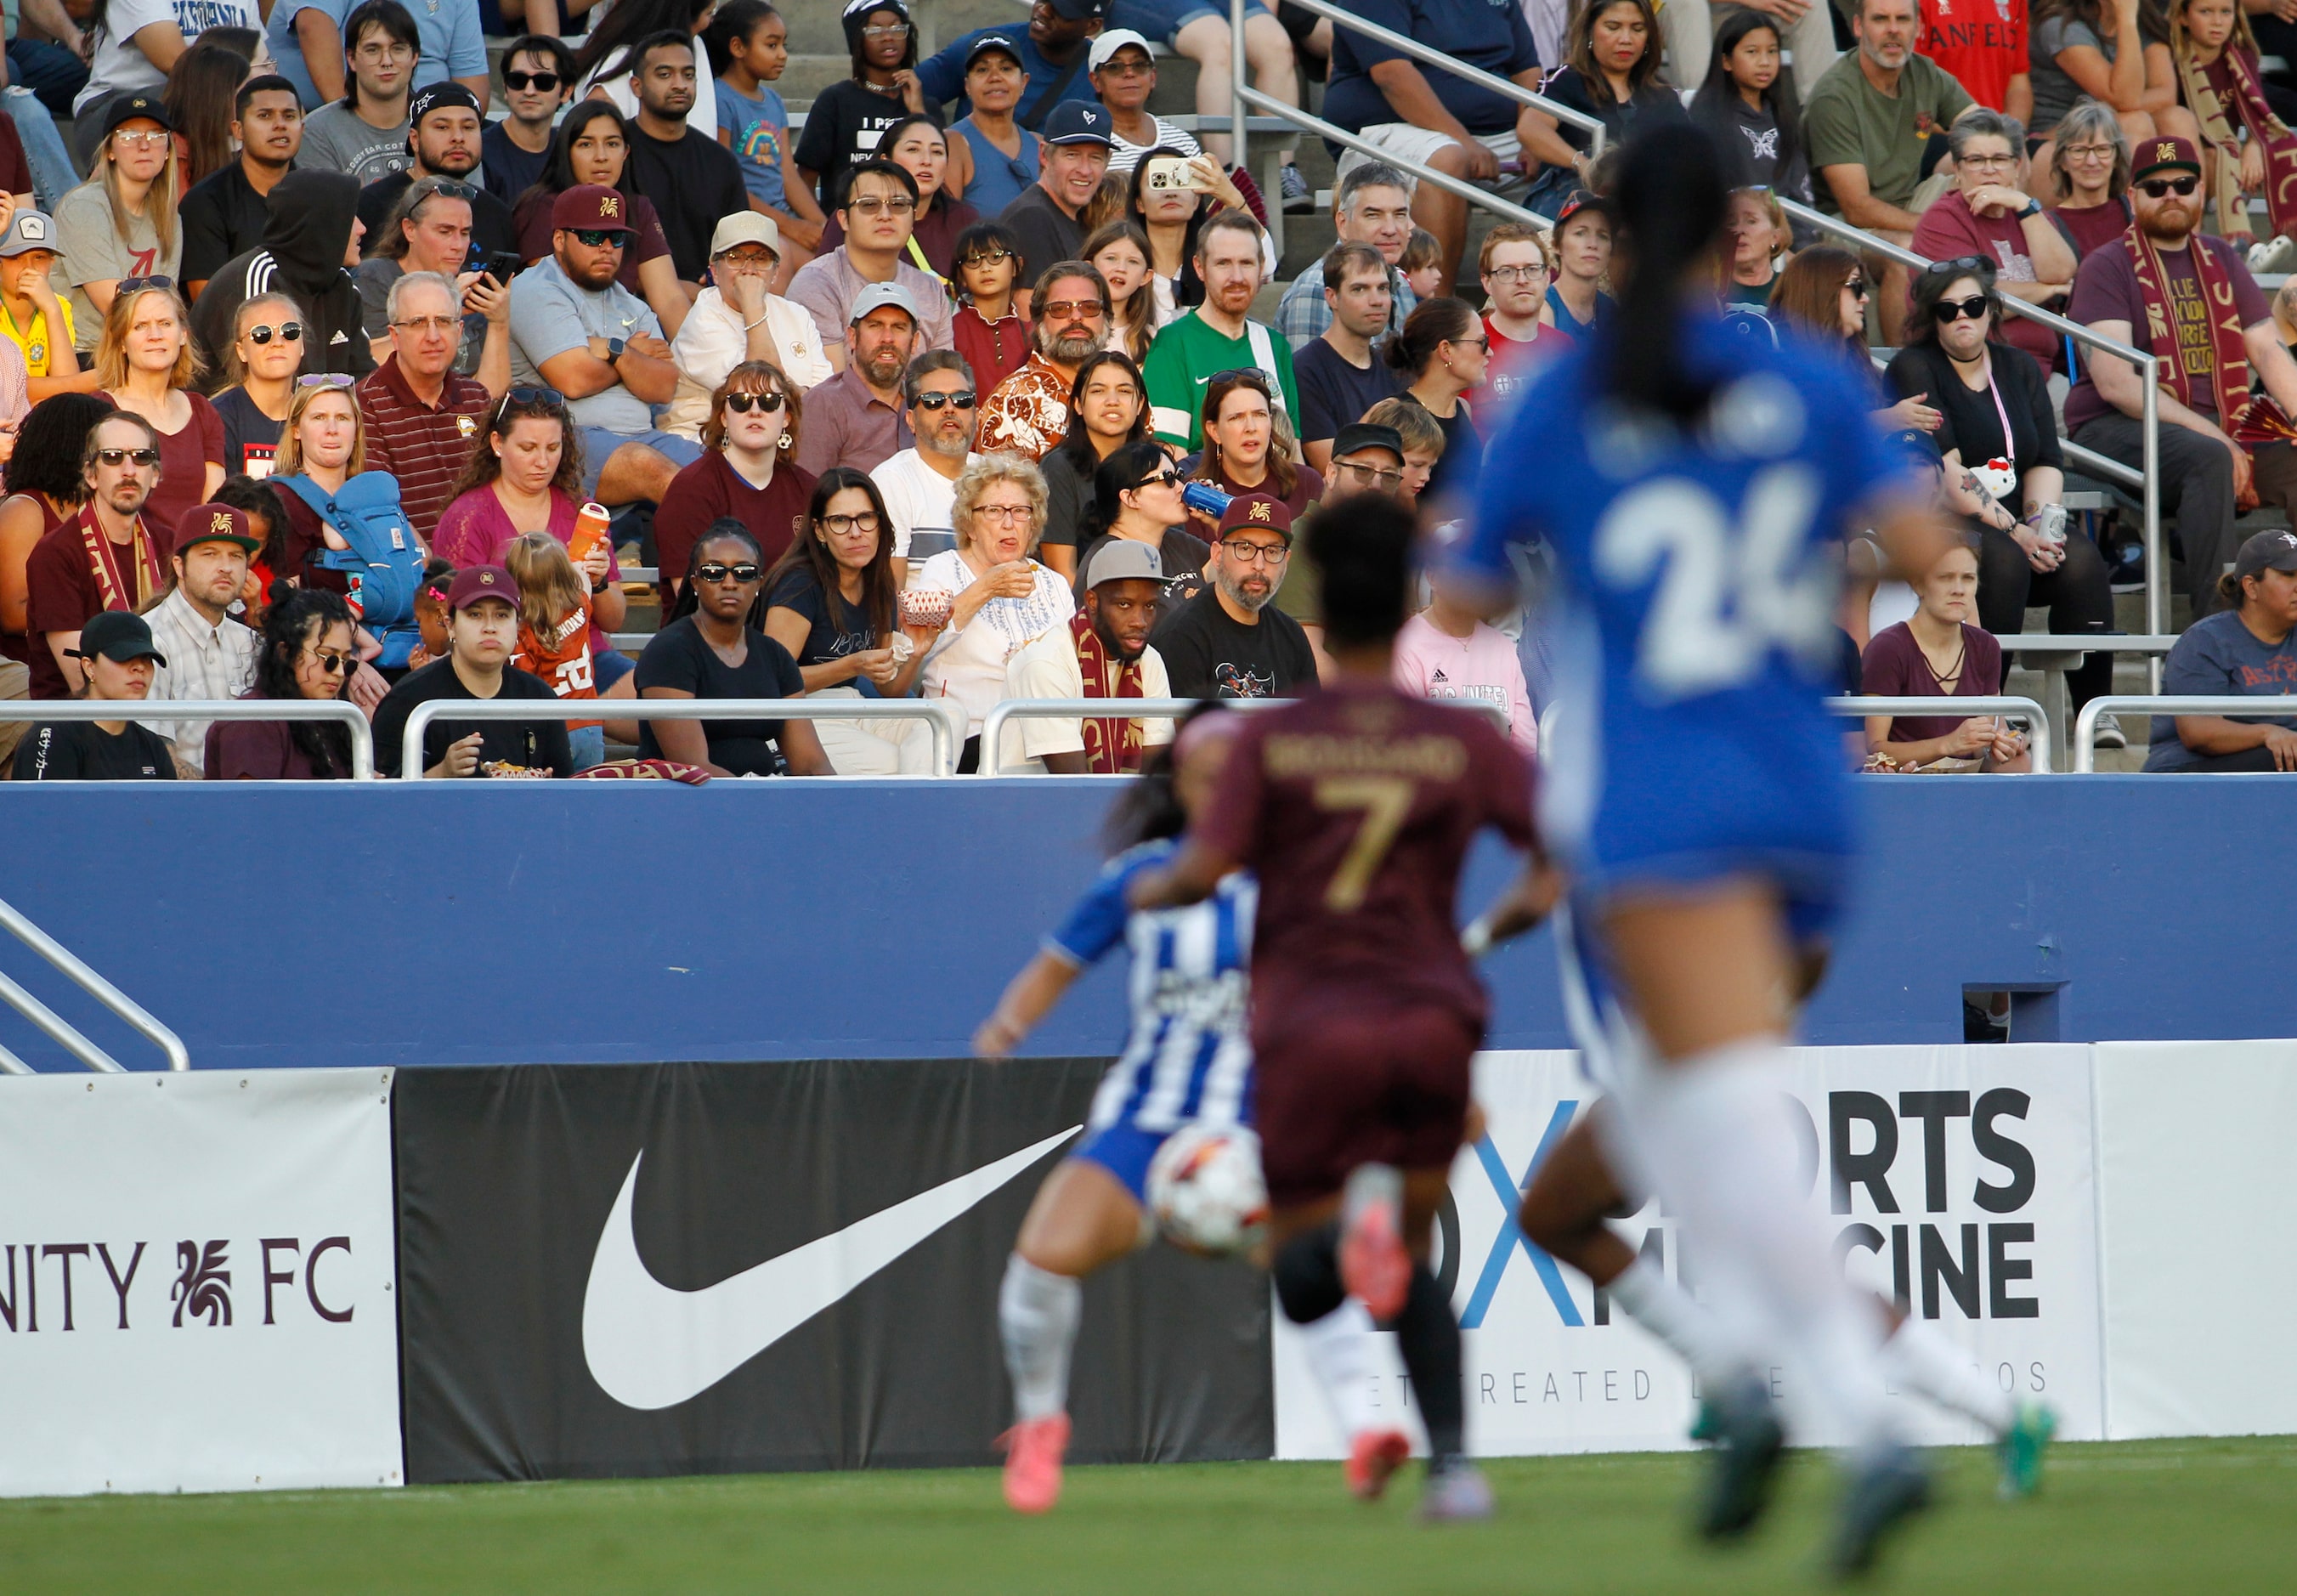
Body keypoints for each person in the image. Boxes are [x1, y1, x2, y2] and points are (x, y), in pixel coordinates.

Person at [1453, 123, 1952, 1573]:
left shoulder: (1553, 394)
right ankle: (1741, 1386)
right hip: (1807, 791)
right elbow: (1924, 556)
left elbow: (1477, 590)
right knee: (1664, 1131)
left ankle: (1863, 1425)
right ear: (1732, 230)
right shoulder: (1805, 376)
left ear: (1602, 233)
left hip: (1659, 803)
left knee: (1723, 1120)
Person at [1127, 490, 1544, 1524]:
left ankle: (1331, 1246)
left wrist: (1145, 885)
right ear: (1400, 599)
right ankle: (1456, 1473)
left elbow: (1201, 869)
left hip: (1311, 1023)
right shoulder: (1465, 737)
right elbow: (1556, 863)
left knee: (1304, 1263)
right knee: (1409, 1249)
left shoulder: (1276, 738)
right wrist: (1480, 939)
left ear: (1323, 604)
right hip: (1431, 1018)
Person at [982, 702, 1397, 1506]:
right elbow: (1060, 960)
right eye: (1212, 777)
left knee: (1306, 1265)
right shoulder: (1139, 876)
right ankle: (1039, 1427)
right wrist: (1010, 1021)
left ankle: (1364, 1431)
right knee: (1039, 1262)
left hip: (1263, 1122)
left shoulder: (1304, 881)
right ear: (1184, 787)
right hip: (1146, 1116)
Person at [2064, 133, 2297, 617]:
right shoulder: (2105, 265)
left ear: (2201, 192)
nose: (2171, 194)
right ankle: (2219, 631)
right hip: (2115, 427)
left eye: (2183, 184)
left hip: (2218, 425)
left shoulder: (2223, 257)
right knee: (2209, 457)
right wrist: (2220, 437)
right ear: (2132, 198)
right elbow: (2118, 384)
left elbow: (2268, 350)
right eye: (2155, 187)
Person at [1886, 258, 2116, 725]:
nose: (1962, 317)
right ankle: (1989, 706)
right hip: (1946, 518)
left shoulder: (2017, 366)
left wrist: (2041, 525)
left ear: (1991, 309)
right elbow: (1945, 470)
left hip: (2017, 521)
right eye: (1947, 311)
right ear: (1932, 318)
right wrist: (2016, 532)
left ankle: (2097, 711)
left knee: (2082, 562)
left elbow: (2046, 459)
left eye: (1972, 305)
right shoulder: (1916, 366)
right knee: (2004, 561)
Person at [1322, 0, 1542, 292]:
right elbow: (1392, 76)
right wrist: (1465, 142)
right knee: (1448, 157)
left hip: (1496, 133)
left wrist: (1533, 133)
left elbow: (1526, 70)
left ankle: (1565, 312)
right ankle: (1437, 314)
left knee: (1571, 158)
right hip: (1389, 128)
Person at [507, 184, 697, 509]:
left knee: (720, 470)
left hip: (640, 436)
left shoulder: (630, 303)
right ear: (559, 240)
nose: (607, 248)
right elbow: (574, 380)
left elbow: (664, 385)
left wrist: (610, 351)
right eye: (592, 237)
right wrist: (629, 353)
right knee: (647, 466)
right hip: (565, 438)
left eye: (616, 238)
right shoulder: (536, 288)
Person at [432, 385, 630, 676]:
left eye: (553, 448)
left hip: (583, 659)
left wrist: (598, 584)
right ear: (497, 444)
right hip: (504, 666)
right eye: (528, 448)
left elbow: (614, 621)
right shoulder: (467, 516)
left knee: (658, 703)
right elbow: (447, 621)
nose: (542, 462)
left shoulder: (581, 511)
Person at [1805, 0, 1977, 336]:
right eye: (1880, 19)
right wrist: (1935, 227)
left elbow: (1985, 128)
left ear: (1919, 28)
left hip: (1908, 201)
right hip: (1842, 225)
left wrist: (1994, 168)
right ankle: (1907, 370)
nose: (1893, 29)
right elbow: (1857, 207)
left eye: (1902, 19)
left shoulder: (1925, 74)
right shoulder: (1834, 97)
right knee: (1903, 251)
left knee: (1986, 170)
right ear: (1858, 27)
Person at [761, 467, 936, 773]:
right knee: (897, 764)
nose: (856, 532)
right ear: (818, 530)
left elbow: (888, 689)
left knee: (946, 717)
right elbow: (772, 682)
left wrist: (916, 653)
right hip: (798, 714)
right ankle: (917, 803)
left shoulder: (879, 581)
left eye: (866, 518)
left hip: (855, 705)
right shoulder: (799, 584)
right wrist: (852, 665)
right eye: (840, 521)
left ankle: (915, 798)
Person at [914, 452, 1075, 769]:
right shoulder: (942, 569)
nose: (1008, 523)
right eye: (993, 511)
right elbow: (923, 642)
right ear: (969, 523)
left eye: (1020, 512)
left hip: (1047, 740)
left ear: (1034, 522)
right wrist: (985, 588)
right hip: (971, 737)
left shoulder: (1054, 584)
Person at [636, 520, 834, 776]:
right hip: (686, 803)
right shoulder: (669, 652)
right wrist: (761, 802)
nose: (729, 583)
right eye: (714, 572)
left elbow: (810, 763)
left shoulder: (775, 656)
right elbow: (693, 769)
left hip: (761, 796)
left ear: (759, 584)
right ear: (695, 583)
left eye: (744, 573)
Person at [372, 562, 574, 777]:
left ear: (518, 626)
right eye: (475, 615)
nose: (490, 627)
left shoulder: (538, 697)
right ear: (450, 625)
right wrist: (442, 773)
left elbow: (566, 787)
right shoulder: (409, 699)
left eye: (502, 615)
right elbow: (382, 798)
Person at [1911, 110, 2079, 369]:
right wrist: (2046, 291)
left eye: (2000, 159)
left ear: (2017, 166)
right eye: (1976, 160)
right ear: (1957, 169)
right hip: (1970, 370)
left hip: (2040, 369)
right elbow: (1972, 303)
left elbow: (2061, 273)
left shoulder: (2031, 215)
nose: (1989, 170)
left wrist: (2024, 205)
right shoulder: (1942, 219)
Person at [993, 536, 1175, 773]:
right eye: (1124, 605)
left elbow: (1157, 774)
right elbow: (1074, 784)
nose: (1139, 622)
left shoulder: (1149, 660)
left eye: (1149, 606)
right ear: (1092, 602)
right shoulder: (1047, 661)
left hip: (1114, 804)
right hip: (1023, 805)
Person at [510, 104, 687, 340]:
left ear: (626, 152)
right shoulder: (542, 205)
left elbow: (669, 299)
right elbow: (548, 297)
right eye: (586, 144)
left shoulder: (638, 208)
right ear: (567, 151)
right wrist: (627, 352)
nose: (601, 156)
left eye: (612, 144)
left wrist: (695, 358)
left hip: (628, 335)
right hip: (564, 344)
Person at [24, 409, 166, 698]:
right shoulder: (55, 553)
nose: (129, 470)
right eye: (112, 457)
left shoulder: (169, 543)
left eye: (141, 457)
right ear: (90, 474)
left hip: (156, 707)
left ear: (155, 475)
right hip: (75, 722)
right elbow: (82, 680)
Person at [1860, 536, 2031, 769]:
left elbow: (1986, 735)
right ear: (1918, 585)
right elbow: (1876, 749)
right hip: (1908, 776)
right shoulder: (1888, 648)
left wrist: (2005, 743)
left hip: (1969, 774)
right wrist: (1948, 744)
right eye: (1945, 578)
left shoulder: (1985, 646)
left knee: (2019, 763)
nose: (1958, 590)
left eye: (1968, 578)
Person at [191, 168, 373, 387]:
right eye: (350, 217)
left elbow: (363, 379)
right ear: (321, 223)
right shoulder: (258, 277)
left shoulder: (342, 285)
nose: (362, 228)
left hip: (317, 415)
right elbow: (264, 389)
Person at [357, 271, 502, 544]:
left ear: (459, 332)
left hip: (482, 562)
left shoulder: (477, 398)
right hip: (412, 568)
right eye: (418, 323)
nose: (433, 336)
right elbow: (381, 510)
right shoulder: (365, 404)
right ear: (394, 335)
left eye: (443, 322)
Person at [665, 212, 832, 443]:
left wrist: (790, 394)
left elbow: (824, 399)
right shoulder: (703, 317)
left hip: (784, 439)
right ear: (714, 270)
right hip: (704, 443)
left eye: (761, 259)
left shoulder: (797, 314)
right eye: (735, 257)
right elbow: (760, 392)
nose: (749, 269)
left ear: (775, 271)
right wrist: (752, 305)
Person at [654, 359, 814, 601]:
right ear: (724, 418)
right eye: (741, 402)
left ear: (786, 418)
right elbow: (692, 599)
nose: (755, 411)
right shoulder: (691, 489)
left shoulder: (808, 490)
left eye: (769, 402)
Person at [1519, 0, 1689, 218]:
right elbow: (1530, 128)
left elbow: (1688, 153)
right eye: (1613, 27)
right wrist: (1584, 164)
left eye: (1637, 29)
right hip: (1573, 198)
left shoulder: (1662, 94)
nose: (1625, 39)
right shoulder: (1568, 80)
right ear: (1590, 31)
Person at [2145, 526, 2297, 767]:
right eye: (2289, 575)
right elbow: (2198, 731)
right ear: (2251, 587)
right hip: (2189, 774)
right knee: (2279, 758)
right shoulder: (2205, 641)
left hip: (2277, 765)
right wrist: (2268, 733)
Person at [1142, 213, 1293, 452]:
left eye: (1246, 263)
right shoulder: (1173, 343)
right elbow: (1170, 453)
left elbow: (1291, 452)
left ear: (1261, 267)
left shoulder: (1275, 346)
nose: (1237, 277)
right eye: (1223, 263)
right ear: (1200, 268)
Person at [784, 158, 955, 361]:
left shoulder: (931, 290)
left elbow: (943, 378)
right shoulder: (816, 284)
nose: (885, 215)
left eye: (898, 204)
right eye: (869, 204)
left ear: (913, 218)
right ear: (844, 219)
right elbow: (828, 387)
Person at [1149, 492, 1314, 698]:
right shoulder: (1182, 637)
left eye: (1272, 551)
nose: (1259, 565)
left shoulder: (1291, 636)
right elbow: (1182, 728)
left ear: (1286, 560)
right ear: (1217, 555)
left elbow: (1313, 723)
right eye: (1245, 548)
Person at [620, 32, 750, 289]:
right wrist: (673, 289)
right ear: (637, 86)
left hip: (708, 301)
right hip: (630, 301)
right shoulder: (614, 152)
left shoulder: (720, 161)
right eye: (665, 75)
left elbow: (740, 244)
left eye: (688, 75)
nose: (680, 84)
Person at [139, 499, 261, 773]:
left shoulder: (252, 644)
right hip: (178, 805)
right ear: (179, 566)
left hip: (251, 801)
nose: (225, 567)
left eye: (236, 556)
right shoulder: (150, 640)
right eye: (210, 554)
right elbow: (154, 753)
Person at [2171, 0, 2297, 259]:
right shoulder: (2173, 57)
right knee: (2212, 158)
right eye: (2206, 12)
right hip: (2185, 149)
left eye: (2225, 12)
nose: (2217, 21)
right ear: (2183, 17)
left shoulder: (2242, 55)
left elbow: (2257, 106)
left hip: (2223, 148)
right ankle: (2240, 245)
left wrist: (2253, 145)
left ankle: (2234, 238)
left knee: (2230, 155)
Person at [94, 280, 222, 535]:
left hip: (193, 558)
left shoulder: (202, 410)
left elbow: (214, 505)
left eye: (165, 323)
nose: (155, 335)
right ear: (121, 341)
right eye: (140, 326)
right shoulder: (99, 410)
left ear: (183, 334)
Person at [54, 94, 180, 351]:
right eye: (129, 135)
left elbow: (168, 301)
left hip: (144, 348)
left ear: (168, 151)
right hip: (86, 352)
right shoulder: (84, 207)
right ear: (110, 151)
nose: (144, 145)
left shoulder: (170, 217)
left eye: (156, 135)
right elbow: (114, 307)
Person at [354, 177, 512, 381]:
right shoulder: (375, 278)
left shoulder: (467, 286)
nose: (458, 245)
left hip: (462, 410)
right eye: (445, 231)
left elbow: (491, 395)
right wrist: (445, 308)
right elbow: (370, 364)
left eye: (465, 233)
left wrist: (499, 322)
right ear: (409, 229)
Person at [70, 0, 257, 170]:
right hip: (115, 105)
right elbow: (174, 61)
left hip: (200, 102)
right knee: (212, 97)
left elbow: (257, 54)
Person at [713, 3, 826, 281]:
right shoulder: (721, 99)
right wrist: (791, 227)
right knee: (816, 272)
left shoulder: (774, 101)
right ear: (738, 47)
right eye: (772, 45)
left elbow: (788, 174)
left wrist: (823, 225)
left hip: (783, 219)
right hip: (748, 222)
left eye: (784, 45)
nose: (783, 55)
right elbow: (725, 185)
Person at [203, 585, 362, 778]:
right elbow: (250, 805)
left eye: (346, 662)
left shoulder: (333, 720)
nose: (339, 672)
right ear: (285, 653)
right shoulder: (252, 722)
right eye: (328, 658)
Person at [0, 390, 105, 673]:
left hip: (102, 658)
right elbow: (13, 614)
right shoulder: (25, 509)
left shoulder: (103, 510)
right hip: (32, 669)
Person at [353, 83, 515, 260]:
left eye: (468, 127)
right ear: (414, 139)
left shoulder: (497, 214)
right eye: (442, 127)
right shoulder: (370, 205)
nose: (458, 138)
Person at [10, 608, 178, 778]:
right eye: (124, 656)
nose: (139, 668)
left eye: (147, 659)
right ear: (89, 667)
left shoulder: (152, 746)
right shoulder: (54, 736)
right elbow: (43, 803)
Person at [178, 74, 303, 300]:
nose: (280, 125)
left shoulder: (319, 195)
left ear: (302, 127)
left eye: (289, 116)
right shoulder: (206, 201)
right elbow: (208, 303)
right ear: (238, 129)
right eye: (265, 116)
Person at [813, 113, 979, 281]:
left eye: (937, 152)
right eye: (913, 149)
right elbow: (822, 280)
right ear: (886, 160)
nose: (927, 161)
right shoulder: (855, 213)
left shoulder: (964, 219)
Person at [794, 0, 925, 211]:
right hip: (845, 231)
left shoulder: (925, 104)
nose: (889, 37)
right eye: (875, 30)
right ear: (857, 39)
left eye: (897, 27)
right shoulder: (835, 100)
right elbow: (805, 180)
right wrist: (823, 229)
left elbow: (939, 177)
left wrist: (918, 113)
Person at [1392, 566, 1538, 755]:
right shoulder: (1406, 644)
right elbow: (1408, 743)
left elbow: (1526, 750)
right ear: (1433, 577)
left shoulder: (1503, 648)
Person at [1274, 164, 1416, 352]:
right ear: (1342, 224)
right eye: (1373, 215)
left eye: (1400, 215)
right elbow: (1310, 378)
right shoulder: (1316, 288)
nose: (1390, 229)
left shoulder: (1401, 283)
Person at [1290, 245, 1406, 474]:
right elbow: (1332, 468)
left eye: (1383, 288)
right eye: (1360, 289)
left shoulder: (1392, 365)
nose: (1377, 300)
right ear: (1332, 297)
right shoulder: (1305, 369)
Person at [975, 260, 1107, 461]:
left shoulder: (1124, 388)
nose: (1076, 317)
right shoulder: (1011, 401)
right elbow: (1003, 490)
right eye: (1060, 309)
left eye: (1089, 307)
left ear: (1107, 318)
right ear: (1038, 322)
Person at [917, 0, 1107, 135]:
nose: (1043, 11)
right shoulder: (983, 48)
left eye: (1061, 11)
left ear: (1092, 26)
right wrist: (937, 136)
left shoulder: (1103, 73)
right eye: (1042, 0)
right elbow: (904, 92)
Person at [501, 529, 604, 770]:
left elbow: (521, 685)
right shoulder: (581, 603)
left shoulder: (523, 635)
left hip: (554, 732)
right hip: (591, 726)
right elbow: (582, 577)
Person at [1037, 349, 1146, 578]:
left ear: (1139, 405)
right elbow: (1063, 574)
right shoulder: (1057, 468)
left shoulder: (1155, 466)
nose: (1113, 401)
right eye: (1098, 391)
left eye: (1124, 391)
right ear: (1078, 404)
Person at [2029, 0, 2189, 156]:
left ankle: (2176, 180)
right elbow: (2124, 99)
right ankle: (2139, 183)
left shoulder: (2144, 21)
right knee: (2135, 123)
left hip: (2106, 120)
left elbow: (2166, 95)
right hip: (2054, 133)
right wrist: (2126, 19)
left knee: (2177, 119)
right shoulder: (2061, 24)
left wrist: (2110, 108)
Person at [793, 279, 919, 477]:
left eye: (899, 327)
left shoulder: (925, 402)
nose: (887, 338)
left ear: (915, 341)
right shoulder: (824, 404)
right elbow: (805, 494)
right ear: (852, 337)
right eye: (875, 325)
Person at [873, 351, 979, 584]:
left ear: (976, 415)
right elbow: (893, 598)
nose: (949, 409)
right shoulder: (892, 481)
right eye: (934, 401)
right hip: (924, 619)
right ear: (911, 420)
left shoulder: (995, 477)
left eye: (962, 399)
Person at [268, 0, 487, 111]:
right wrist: (355, 119)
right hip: (326, 121)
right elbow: (313, 26)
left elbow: (472, 88)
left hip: (424, 128)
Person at [1688, 10, 1814, 203]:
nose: (1764, 62)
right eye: (1752, 52)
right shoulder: (1706, 117)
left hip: (1784, 230)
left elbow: (1802, 196)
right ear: (1726, 61)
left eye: (1772, 51)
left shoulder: (1784, 119)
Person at [296, 0, 419, 187]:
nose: (386, 61)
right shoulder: (316, 133)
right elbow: (327, 213)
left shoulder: (444, 125)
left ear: (415, 57)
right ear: (351, 59)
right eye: (373, 50)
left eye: (398, 49)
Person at [1073, 438, 1209, 607]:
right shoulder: (1109, 560)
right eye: (1168, 479)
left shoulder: (1181, 543)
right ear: (1130, 498)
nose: (1181, 487)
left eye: (1179, 476)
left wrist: (1221, 517)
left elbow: (1237, 584)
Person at [997, 100, 1114, 288]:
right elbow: (1028, 310)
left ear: (1108, 162)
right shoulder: (1032, 218)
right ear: (1044, 155)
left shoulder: (1083, 216)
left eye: (1095, 158)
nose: (1085, 170)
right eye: (1072, 155)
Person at [568, 0, 716, 139]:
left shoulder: (697, 46)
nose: (710, 23)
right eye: (709, 13)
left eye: (688, 75)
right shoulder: (617, 63)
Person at [1386, 298, 1485, 509]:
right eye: (1482, 343)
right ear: (1446, 350)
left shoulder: (1462, 408)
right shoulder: (1392, 413)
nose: (1490, 353)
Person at [1192, 367, 1321, 521]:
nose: (1251, 428)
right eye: (1236, 417)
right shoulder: (1197, 495)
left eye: (1259, 415)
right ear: (1214, 431)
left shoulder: (1307, 484)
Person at [941, 34, 1039, 226]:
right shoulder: (953, 144)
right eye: (982, 69)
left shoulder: (1039, 144)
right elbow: (945, 229)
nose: (995, 77)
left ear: (1024, 82)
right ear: (967, 86)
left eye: (1006, 68)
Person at [208, 293, 303, 479]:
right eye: (262, 335)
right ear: (241, 351)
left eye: (290, 331)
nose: (277, 343)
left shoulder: (316, 414)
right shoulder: (218, 417)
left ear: (302, 345)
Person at [1476, 225, 1570, 409]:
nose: (1522, 280)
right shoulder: (1468, 347)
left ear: (1546, 277)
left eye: (1532, 269)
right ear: (1487, 282)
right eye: (1507, 271)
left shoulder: (1565, 348)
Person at [0, 208, 86, 402]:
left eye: (39, 258)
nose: (29, 268)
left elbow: (67, 396)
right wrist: (92, 380)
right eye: (16, 257)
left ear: (52, 263)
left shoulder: (58, 306)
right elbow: (8, 389)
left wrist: (52, 310)